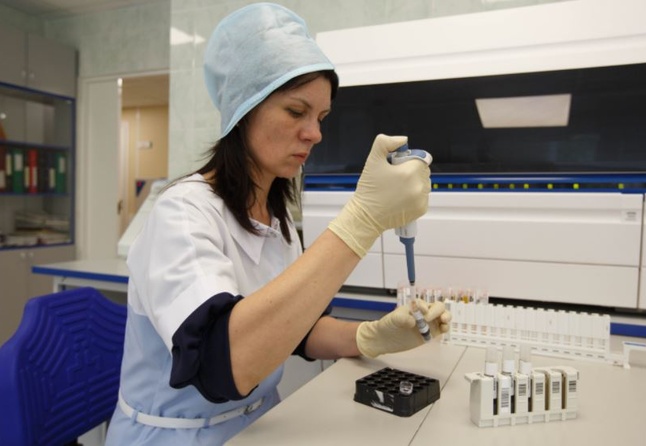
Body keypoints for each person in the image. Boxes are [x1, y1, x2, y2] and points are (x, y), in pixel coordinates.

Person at [105, 3, 450, 445]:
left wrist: (371, 337)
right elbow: (226, 364)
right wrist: (361, 221)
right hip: (176, 436)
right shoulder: (184, 213)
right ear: (243, 110)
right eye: (295, 111)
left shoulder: (277, 217)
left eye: (320, 118)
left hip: (260, 425)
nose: (314, 133)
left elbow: (298, 329)